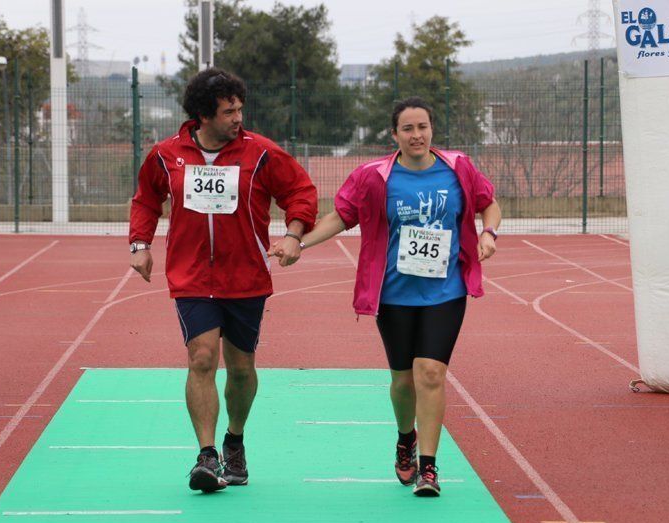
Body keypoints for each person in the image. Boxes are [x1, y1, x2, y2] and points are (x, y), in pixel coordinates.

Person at [271, 96, 500, 497]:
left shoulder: (458, 167)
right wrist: (298, 244)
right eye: (408, 129)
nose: (417, 135)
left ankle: (428, 467)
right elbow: (340, 217)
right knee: (401, 380)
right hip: (392, 293)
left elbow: (489, 204)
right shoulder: (374, 176)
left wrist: (488, 233)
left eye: (423, 127)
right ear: (394, 135)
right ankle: (405, 437)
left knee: (430, 372)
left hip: (445, 290)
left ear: (432, 130)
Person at [129, 68, 317, 493]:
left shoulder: (261, 153)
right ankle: (207, 455)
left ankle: (234, 438)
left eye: (239, 109)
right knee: (201, 357)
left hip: (246, 276)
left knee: (242, 369)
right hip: (192, 277)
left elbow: (301, 193)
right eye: (229, 111)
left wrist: (293, 234)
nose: (238, 118)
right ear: (202, 115)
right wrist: (139, 244)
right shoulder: (165, 155)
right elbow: (145, 198)